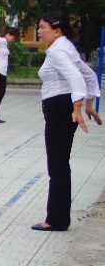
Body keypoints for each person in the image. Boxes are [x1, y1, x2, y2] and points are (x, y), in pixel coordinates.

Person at [32, 15, 100, 231]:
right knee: (60, 164)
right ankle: (58, 217)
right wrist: (89, 103)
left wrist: (78, 106)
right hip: (63, 107)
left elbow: (77, 77)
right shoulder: (66, 47)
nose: (39, 31)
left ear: (57, 30)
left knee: (57, 165)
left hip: (59, 108)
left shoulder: (57, 50)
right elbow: (89, 74)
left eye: (42, 27)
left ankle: (56, 219)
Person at [0, 26, 19, 123]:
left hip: (1, 71)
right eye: (13, 37)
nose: (13, 40)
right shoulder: (1, 41)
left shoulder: (4, 43)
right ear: (8, 34)